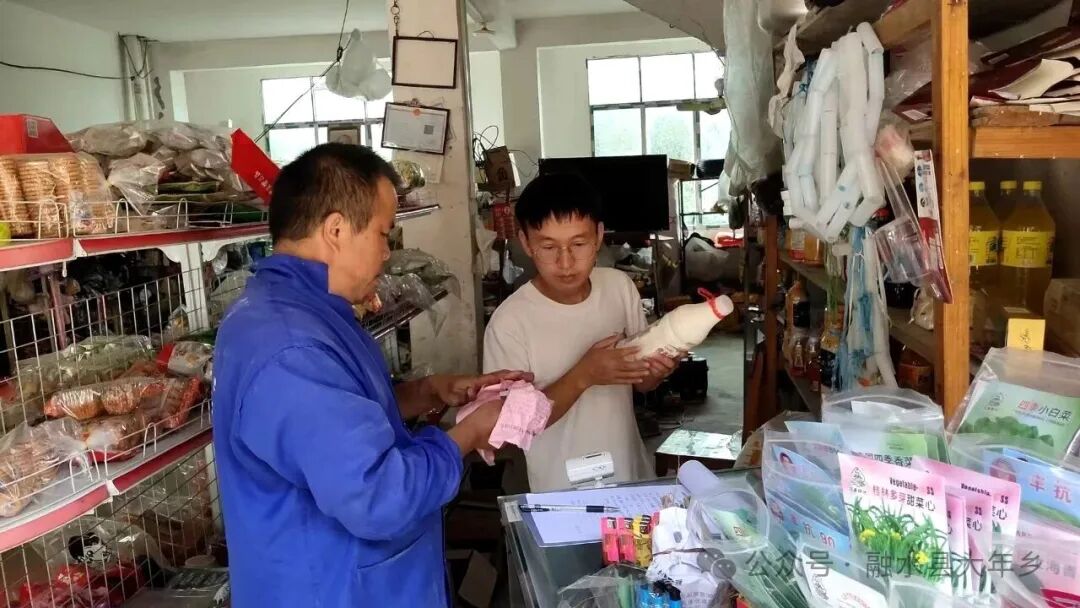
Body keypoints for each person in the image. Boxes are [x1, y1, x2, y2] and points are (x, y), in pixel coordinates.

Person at [212, 143, 530, 607]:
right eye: (383, 234)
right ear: (336, 230)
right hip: (331, 590)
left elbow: (331, 423)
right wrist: (467, 435)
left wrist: (426, 392)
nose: (386, 254)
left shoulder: (300, 311)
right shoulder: (290, 348)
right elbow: (378, 496)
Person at [482, 173, 682, 492]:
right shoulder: (509, 323)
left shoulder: (618, 288)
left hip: (630, 475)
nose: (566, 262)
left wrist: (657, 370)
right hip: (560, 491)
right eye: (549, 246)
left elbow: (642, 382)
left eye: (578, 244)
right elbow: (508, 429)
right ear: (526, 243)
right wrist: (584, 375)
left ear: (599, 236)